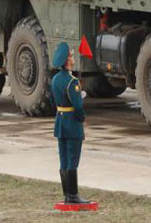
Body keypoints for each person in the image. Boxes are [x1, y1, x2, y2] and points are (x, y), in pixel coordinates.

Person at [51, 42, 90, 205]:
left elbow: (54, 100)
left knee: (64, 159)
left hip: (60, 122)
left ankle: (67, 194)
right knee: (73, 159)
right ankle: (73, 196)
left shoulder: (55, 79)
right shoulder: (72, 81)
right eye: (71, 56)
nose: (73, 58)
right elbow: (78, 107)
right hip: (72, 124)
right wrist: (82, 118)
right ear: (67, 60)